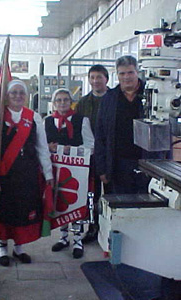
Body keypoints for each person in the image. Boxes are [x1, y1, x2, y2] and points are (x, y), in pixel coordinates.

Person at [0, 80, 54, 267]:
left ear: (27, 95)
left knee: (22, 211)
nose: (17, 96)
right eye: (13, 92)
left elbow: (42, 148)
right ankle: (2, 248)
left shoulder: (34, 117)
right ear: (6, 95)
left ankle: (19, 249)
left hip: (26, 175)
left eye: (21, 93)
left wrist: (48, 174)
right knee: (4, 212)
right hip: (4, 174)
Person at [96, 55, 167, 194]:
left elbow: (165, 132)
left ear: (137, 72)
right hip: (117, 165)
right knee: (120, 209)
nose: (126, 77)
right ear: (117, 75)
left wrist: (165, 165)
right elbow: (100, 136)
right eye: (122, 73)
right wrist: (102, 168)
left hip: (148, 164)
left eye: (130, 72)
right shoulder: (109, 99)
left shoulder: (154, 95)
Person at [44, 88, 94, 259]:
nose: (62, 103)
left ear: (71, 101)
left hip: (77, 171)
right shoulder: (48, 121)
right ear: (54, 103)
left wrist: (73, 150)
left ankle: (78, 240)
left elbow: (90, 145)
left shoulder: (82, 120)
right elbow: (40, 145)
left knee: (76, 203)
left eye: (65, 100)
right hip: (56, 170)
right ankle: (63, 238)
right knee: (60, 203)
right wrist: (48, 147)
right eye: (58, 100)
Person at [75, 64, 109, 244]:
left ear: (106, 79)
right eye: (92, 77)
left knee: (111, 192)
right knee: (92, 194)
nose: (95, 81)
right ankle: (93, 227)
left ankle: (110, 228)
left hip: (111, 155)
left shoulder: (114, 99)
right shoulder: (83, 103)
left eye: (99, 77)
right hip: (91, 156)